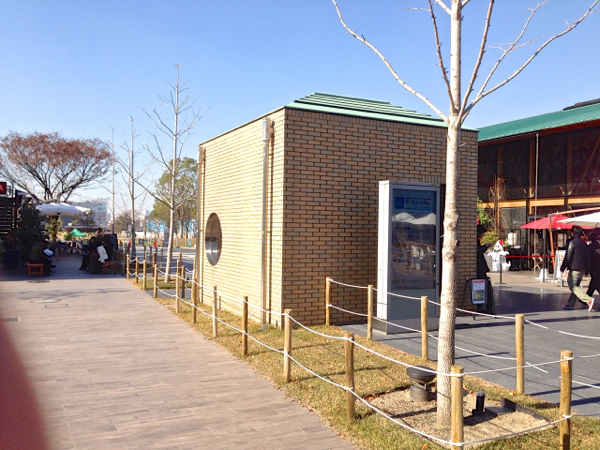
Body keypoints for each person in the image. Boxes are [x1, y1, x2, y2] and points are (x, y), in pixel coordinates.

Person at [561, 226, 594, 311]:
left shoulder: (572, 243)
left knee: (573, 287)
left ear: (573, 233)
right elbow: (587, 257)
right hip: (582, 269)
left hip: (574, 268)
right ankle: (570, 303)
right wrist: (587, 269)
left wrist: (563, 266)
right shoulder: (584, 244)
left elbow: (568, 256)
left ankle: (588, 299)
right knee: (576, 287)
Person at [476, 225, 496, 314]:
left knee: (483, 289)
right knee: (486, 289)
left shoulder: (476, 241)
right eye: (482, 233)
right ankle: (486, 308)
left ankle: (482, 307)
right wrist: (486, 246)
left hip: (480, 269)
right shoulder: (475, 241)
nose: (483, 235)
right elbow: (478, 251)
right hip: (480, 270)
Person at [586, 229, 600, 297]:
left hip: (594, 267)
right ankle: (587, 296)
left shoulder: (591, 247)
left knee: (595, 281)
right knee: (595, 281)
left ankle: (587, 297)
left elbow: (588, 258)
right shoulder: (595, 246)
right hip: (596, 267)